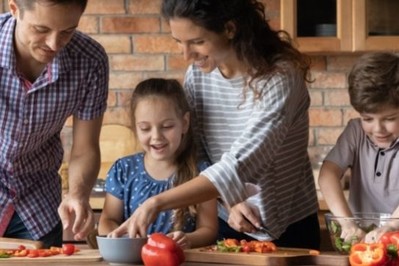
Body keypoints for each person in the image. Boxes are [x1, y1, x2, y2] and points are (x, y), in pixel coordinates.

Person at [109, 0, 320, 249]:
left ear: (230, 29)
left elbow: (241, 163)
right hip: (228, 221)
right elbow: (199, 152)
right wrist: (230, 202)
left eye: (197, 42)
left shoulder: (279, 77)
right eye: (179, 41)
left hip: (289, 225)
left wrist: (156, 202)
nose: (187, 55)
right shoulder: (198, 76)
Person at [0, 0, 109, 248]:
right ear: (14, 9)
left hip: (38, 204)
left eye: (67, 31)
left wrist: (78, 194)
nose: (53, 44)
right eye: (41, 29)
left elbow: (85, 148)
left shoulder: (90, 61)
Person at [98, 78, 218, 249]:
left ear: (184, 123)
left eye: (167, 126)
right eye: (145, 128)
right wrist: (124, 237)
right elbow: (108, 220)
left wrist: (188, 239)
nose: (156, 136)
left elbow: (209, 229)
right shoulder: (123, 169)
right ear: (135, 127)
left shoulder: (203, 173)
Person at [318, 52, 399, 244]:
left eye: (390, 119)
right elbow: (327, 174)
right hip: (363, 243)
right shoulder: (355, 132)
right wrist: (347, 223)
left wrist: (393, 225)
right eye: (367, 119)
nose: (378, 129)